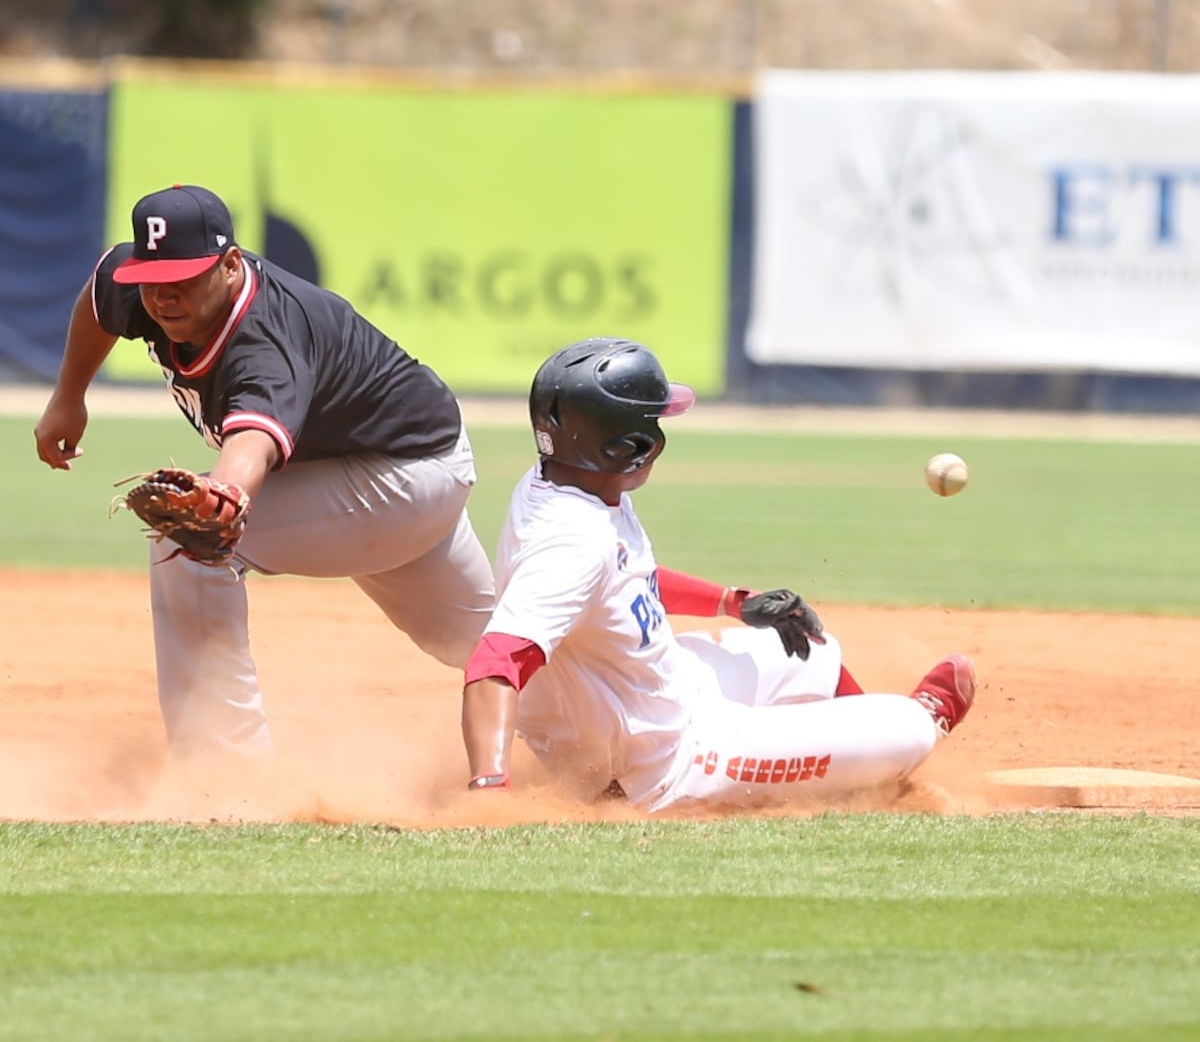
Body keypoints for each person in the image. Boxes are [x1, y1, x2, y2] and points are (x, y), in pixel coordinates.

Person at [35, 183, 495, 756]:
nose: (163, 295)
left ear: (230, 265)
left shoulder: (263, 340)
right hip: (389, 463)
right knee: (477, 640)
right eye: (151, 278)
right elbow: (102, 290)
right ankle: (598, 745)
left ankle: (225, 772)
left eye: (184, 278)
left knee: (189, 537)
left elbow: (252, 444)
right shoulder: (145, 283)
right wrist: (69, 395)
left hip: (403, 478)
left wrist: (224, 493)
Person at [461, 336, 976, 811]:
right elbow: (495, 662)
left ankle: (864, 766)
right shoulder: (572, 540)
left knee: (808, 650)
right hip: (662, 764)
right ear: (628, 445)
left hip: (662, 695)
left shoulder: (570, 484)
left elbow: (622, 577)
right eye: (652, 423)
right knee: (906, 728)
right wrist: (489, 792)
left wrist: (732, 602)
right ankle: (895, 744)